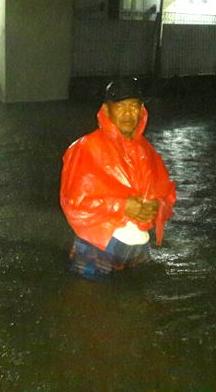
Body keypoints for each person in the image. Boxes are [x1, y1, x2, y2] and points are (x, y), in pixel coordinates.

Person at [60, 77, 176, 279]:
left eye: (134, 106)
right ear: (106, 110)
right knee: (89, 304)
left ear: (142, 110)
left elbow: (167, 195)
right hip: (98, 244)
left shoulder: (148, 151)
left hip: (138, 245)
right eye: (120, 106)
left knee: (138, 302)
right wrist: (123, 206)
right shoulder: (86, 148)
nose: (128, 113)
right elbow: (73, 203)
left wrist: (157, 207)